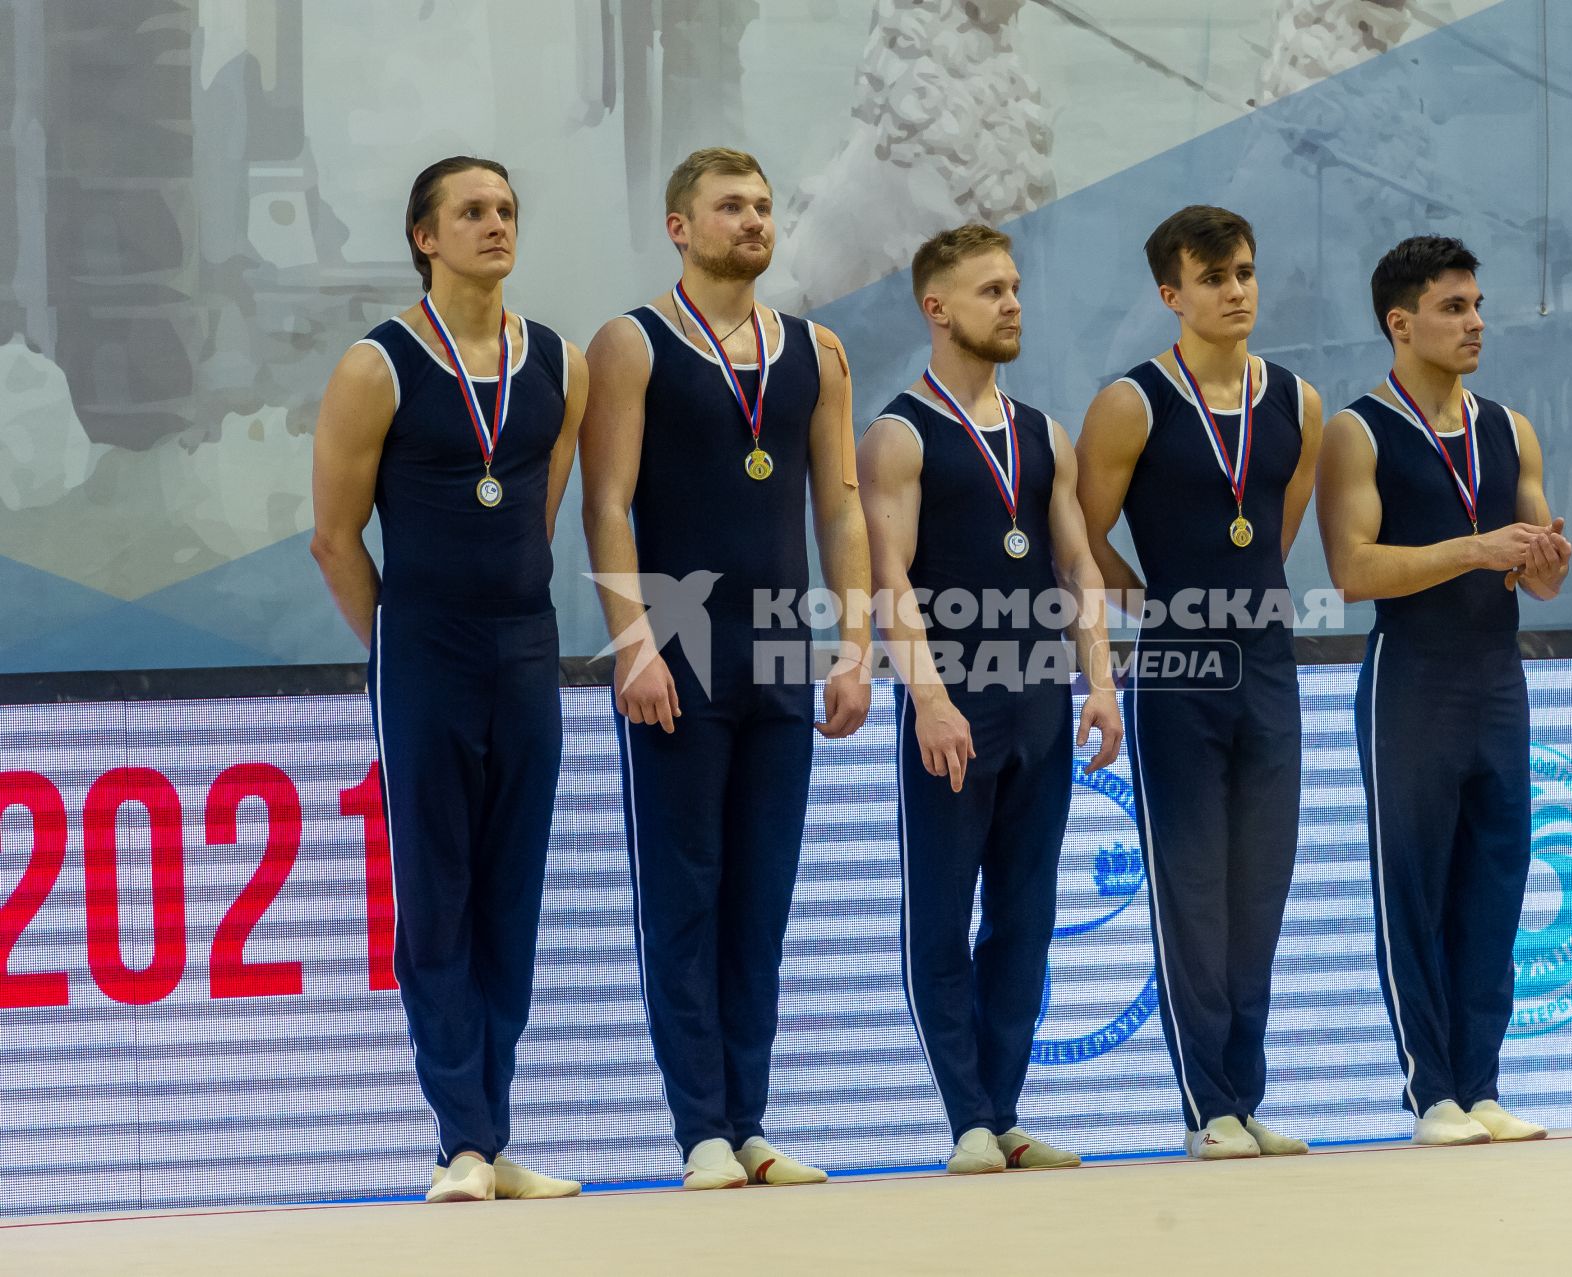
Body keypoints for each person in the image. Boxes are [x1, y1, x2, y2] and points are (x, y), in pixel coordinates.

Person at [578, 147, 873, 1189]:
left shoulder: (817, 351)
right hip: (683, 648)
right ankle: (698, 1126)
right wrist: (633, 643)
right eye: (729, 206)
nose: (753, 220)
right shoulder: (632, 344)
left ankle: (748, 1119)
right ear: (678, 225)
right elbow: (605, 501)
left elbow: (838, 503)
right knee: (685, 893)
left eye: (761, 205)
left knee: (761, 899)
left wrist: (854, 642)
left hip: (784, 648)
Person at [311, 156, 587, 1202]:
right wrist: (400, 643)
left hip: (525, 648)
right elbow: (334, 539)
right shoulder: (376, 367)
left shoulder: (558, 360)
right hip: (422, 651)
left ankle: (491, 1134)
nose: (496, 225)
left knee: (511, 898)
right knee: (438, 895)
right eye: (472, 212)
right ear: (426, 237)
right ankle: (458, 1141)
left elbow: (538, 514)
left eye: (508, 209)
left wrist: (505, 619)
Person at [859, 224, 1122, 1174]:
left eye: (1014, 287)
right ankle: (966, 1116)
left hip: (1042, 705)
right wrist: (927, 699)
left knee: (1027, 915)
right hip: (955, 705)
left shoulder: (1043, 432)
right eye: (990, 291)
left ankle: (1005, 1112)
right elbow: (888, 579)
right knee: (942, 914)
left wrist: (1099, 680)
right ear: (937, 308)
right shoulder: (897, 434)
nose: (1012, 303)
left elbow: (1078, 565)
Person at [1075, 205, 1321, 1160]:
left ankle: (1247, 1096)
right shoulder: (1131, 404)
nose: (1235, 292)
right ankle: (1206, 1106)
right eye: (1214, 278)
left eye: (1246, 273)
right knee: (1194, 889)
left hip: (1266, 662)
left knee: (1261, 888)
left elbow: (1279, 527)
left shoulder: (1298, 402)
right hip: (1177, 668)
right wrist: (1159, 604)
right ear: (1171, 295)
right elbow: (1083, 539)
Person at [1314, 235, 1571, 1146]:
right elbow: (1350, 570)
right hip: (1410, 681)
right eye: (1455, 307)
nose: (1476, 322)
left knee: (1496, 885)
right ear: (1401, 321)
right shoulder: (1357, 430)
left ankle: (1483, 1083)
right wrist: (1474, 546)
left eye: (1477, 305)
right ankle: (1431, 1094)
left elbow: (1539, 580)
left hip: (1497, 679)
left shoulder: (1510, 427)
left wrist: (1547, 561)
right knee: (1414, 890)